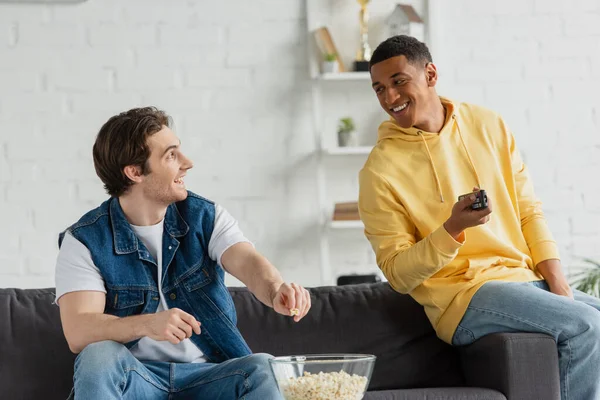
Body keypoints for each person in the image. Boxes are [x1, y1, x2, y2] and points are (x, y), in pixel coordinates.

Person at [358, 35, 600, 400]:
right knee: (585, 325)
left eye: (398, 82)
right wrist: (452, 229)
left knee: (587, 319)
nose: (389, 98)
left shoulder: (487, 124)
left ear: (430, 74)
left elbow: (528, 211)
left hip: (523, 279)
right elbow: (397, 273)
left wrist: (558, 284)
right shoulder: (379, 170)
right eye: (379, 89)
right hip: (462, 296)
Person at [55, 107, 310, 399]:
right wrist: (149, 324)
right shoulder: (85, 240)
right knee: (97, 356)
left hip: (213, 377)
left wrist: (275, 289)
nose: (187, 164)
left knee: (266, 368)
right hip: (136, 379)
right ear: (135, 172)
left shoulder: (204, 217)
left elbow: (246, 260)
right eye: (171, 155)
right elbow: (79, 331)